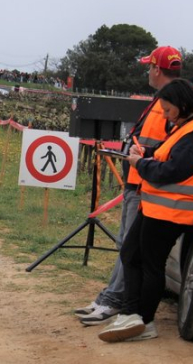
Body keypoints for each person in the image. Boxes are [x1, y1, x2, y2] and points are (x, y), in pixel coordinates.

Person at [98, 78, 193, 342]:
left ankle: (144, 320)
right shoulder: (185, 128)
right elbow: (165, 154)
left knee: (150, 265)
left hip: (170, 213)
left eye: (168, 110)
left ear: (183, 105)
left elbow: (173, 170)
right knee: (131, 255)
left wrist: (141, 164)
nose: (165, 115)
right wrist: (147, 152)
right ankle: (132, 314)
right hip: (156, 208)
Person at [74, 46, 179, 325]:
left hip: (146, 185)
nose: (147, 71)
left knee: (130, 248)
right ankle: (111, 296)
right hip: (138, 182)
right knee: (125, 243)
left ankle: (114, 300)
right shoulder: (162, 102)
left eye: (149, 66)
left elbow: (164, 149)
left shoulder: (169, 104)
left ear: (157, 69)